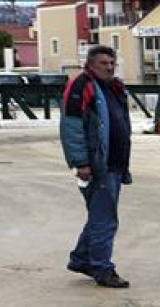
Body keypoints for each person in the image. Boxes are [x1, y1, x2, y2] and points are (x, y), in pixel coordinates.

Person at [60, 45, 132, 288]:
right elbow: (71, 127)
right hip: (98, 165)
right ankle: (103, 269)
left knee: (99, 216)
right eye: (104, 63)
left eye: (112, 63)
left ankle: (82, 259)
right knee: (105, 220)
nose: (109, 67)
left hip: (114, 164)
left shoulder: (114, 87)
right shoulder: (81, 86)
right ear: (90, 65)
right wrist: (80, 162)